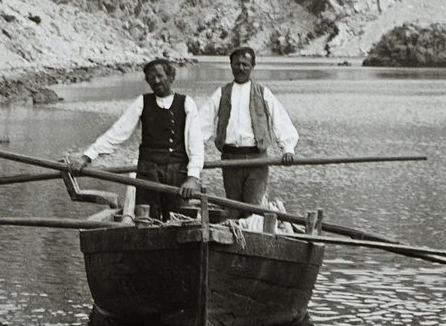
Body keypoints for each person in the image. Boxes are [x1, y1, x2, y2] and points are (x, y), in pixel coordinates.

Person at [65, 58, 203, 221]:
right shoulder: (142, 102)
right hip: (148, 173)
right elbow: (117, 133)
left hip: (177, 173)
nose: (156, 81)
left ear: (171, 77)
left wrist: (192, 177)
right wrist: (86, 157)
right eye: (151, 78)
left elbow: (195, 144)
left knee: (178, 220)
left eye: (160, 76)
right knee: (146, 221)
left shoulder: (187, 103)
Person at [196, 46, 298, 212]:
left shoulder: (263, 93)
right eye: (237, 64)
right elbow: (202, 124)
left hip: (257, 159)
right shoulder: (221, 93)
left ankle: (251, 233)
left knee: (253, 209)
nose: (241, 68)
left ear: (252, 66)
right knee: (233, 208)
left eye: (245, 64)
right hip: (230, 158)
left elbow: (281, 120)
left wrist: (288, 148)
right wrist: (196, 152)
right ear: (231, 65)